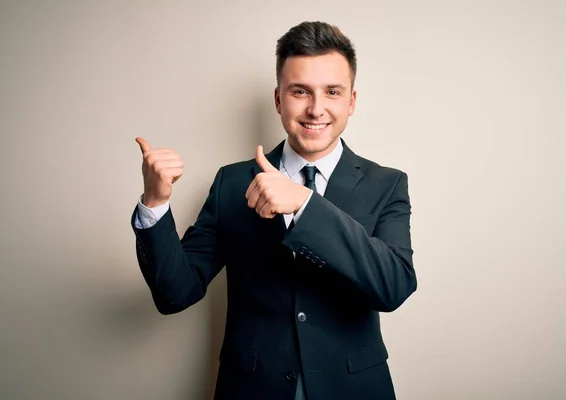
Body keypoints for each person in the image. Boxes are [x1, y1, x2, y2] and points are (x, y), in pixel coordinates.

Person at [131, 21, 417, 400]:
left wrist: (304, 204)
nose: (316, 109)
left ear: (351, 101)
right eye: (300, 91)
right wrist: (155, 202)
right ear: (279, 99)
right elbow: (175, 293)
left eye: (332, 91)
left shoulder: (387, 183)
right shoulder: (231, 183)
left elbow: (393, 286)